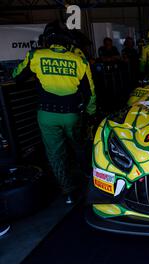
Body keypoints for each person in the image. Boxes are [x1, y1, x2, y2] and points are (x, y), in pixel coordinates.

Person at [12, 21, 96, 204]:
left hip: (47, 115)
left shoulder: (36, 55)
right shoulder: (79, 60)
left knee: (55, 154)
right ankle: (90, 180)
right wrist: (91, 113)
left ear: (47, 39)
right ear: (66, 41)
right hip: (72, 114)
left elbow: (16, 76)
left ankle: (68, 192)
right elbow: (90, 93)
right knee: (80, 146)